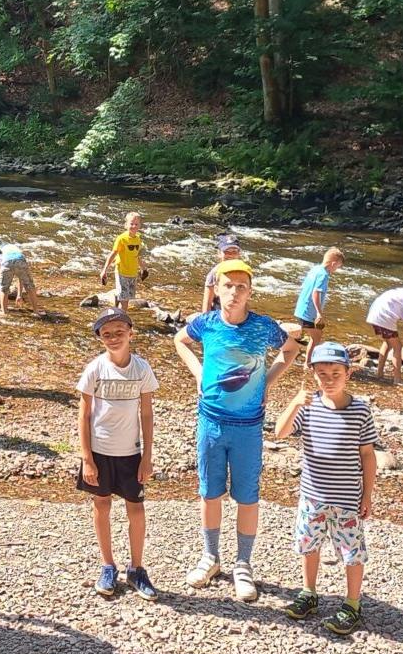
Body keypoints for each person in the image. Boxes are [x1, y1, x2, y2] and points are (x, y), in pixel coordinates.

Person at [173, 260, 300, 601]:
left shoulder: (264, 327)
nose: (234, 292)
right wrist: (198, 374)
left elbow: (291, 350)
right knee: (209, 492)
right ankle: (210, 557)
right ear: (215, 289)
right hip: (210, 422)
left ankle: (243, 564)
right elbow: (179, 340)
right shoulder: (206, 324)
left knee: (247, 496)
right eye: (227, 285)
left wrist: (268, 381)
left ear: (250, 292)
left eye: (241, 286)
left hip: (248, 428)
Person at [275, 342, 377, 632]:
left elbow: (367, 455)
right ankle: (308, 592)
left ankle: (353, 603)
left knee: (352, 551)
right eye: (322, 374)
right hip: (312, 497)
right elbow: (280, 433)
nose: (329, 379)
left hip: (347, 498)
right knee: (309, 545)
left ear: (349, 374)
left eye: (335, 373)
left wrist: (367, 494)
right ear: (314, 375)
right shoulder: (308, 408)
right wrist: (294, 402)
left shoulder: (360, 411)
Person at [76, 307, 158, 601]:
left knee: (136, 508)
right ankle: (107, 565)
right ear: (100, 338)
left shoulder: (141, 369)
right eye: (107, 334)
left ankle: (136, 568)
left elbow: (146, 414)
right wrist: (87, 457)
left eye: (119, 333)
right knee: (102, 505)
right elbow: (84, 415)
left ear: (131, 334)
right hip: (100, 451)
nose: (113, 338)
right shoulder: (95, 368)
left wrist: (147, 456)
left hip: (131, 453)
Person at [292, 247, 344, 347]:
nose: (336, 270)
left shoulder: (315, 269)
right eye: (338, 267)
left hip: (300, 309)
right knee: (317, 337)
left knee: (315, 336)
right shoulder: (323, 275)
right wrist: (319, 313)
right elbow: (316, 293)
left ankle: (307, 359)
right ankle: (308, 362)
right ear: (333, 264)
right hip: (308, 313)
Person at [100, 212, 148, 307]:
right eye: (131, 223)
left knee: (128, 297)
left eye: (136, 224)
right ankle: (123, 319)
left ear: (140, 225)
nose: (134, 226)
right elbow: (113, 254)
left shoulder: (138, 239)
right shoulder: (121, 239)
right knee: (125, 302)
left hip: (133, 273)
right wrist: (104, 270)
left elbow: (137, 256)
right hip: (122, 272)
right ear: (126, 225)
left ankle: (117, 298)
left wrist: (143, 269)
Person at [0, 241, 39, 314]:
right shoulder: (15, 249)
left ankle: (4, 311)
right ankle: (36, 310)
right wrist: (19, 295)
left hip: (6, 261)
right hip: (20, 259)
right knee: (30, 286)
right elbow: (20, 278)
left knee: (4, 288)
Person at [201, 234, 243, 314]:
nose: (230, 254)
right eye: (226, 251)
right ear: (219, 254)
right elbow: (207, 303)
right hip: (218, 315)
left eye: (234, 251)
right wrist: (206, 321)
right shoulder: (214, 274)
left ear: (239, 254)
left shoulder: (243, 272)